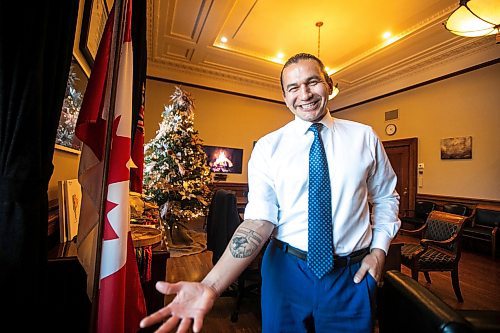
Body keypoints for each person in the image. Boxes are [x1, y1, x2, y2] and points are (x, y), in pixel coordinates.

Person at [140, 53, 400, 333]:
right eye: (294, 87)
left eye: (313, 82)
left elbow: (386, 197)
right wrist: (210, 286)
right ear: (285, 96)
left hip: (352, 275)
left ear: (329, 84)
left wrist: (379, 251)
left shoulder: (365, 137)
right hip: (286, 272)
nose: (305, 94)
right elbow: (258, 221)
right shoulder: (268, 147)